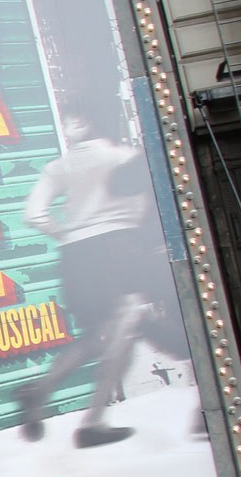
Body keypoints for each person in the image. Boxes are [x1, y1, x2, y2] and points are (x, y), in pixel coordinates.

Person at [18, 106, 173, 448]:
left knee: (98, 333)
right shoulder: (125, 157)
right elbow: (148, 210)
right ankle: (93, 421)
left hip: (75, 255)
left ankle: (39, 391)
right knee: (125, 327)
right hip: (115, 248)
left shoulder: (61, 165)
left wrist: (66, 235)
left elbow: (33, 214)